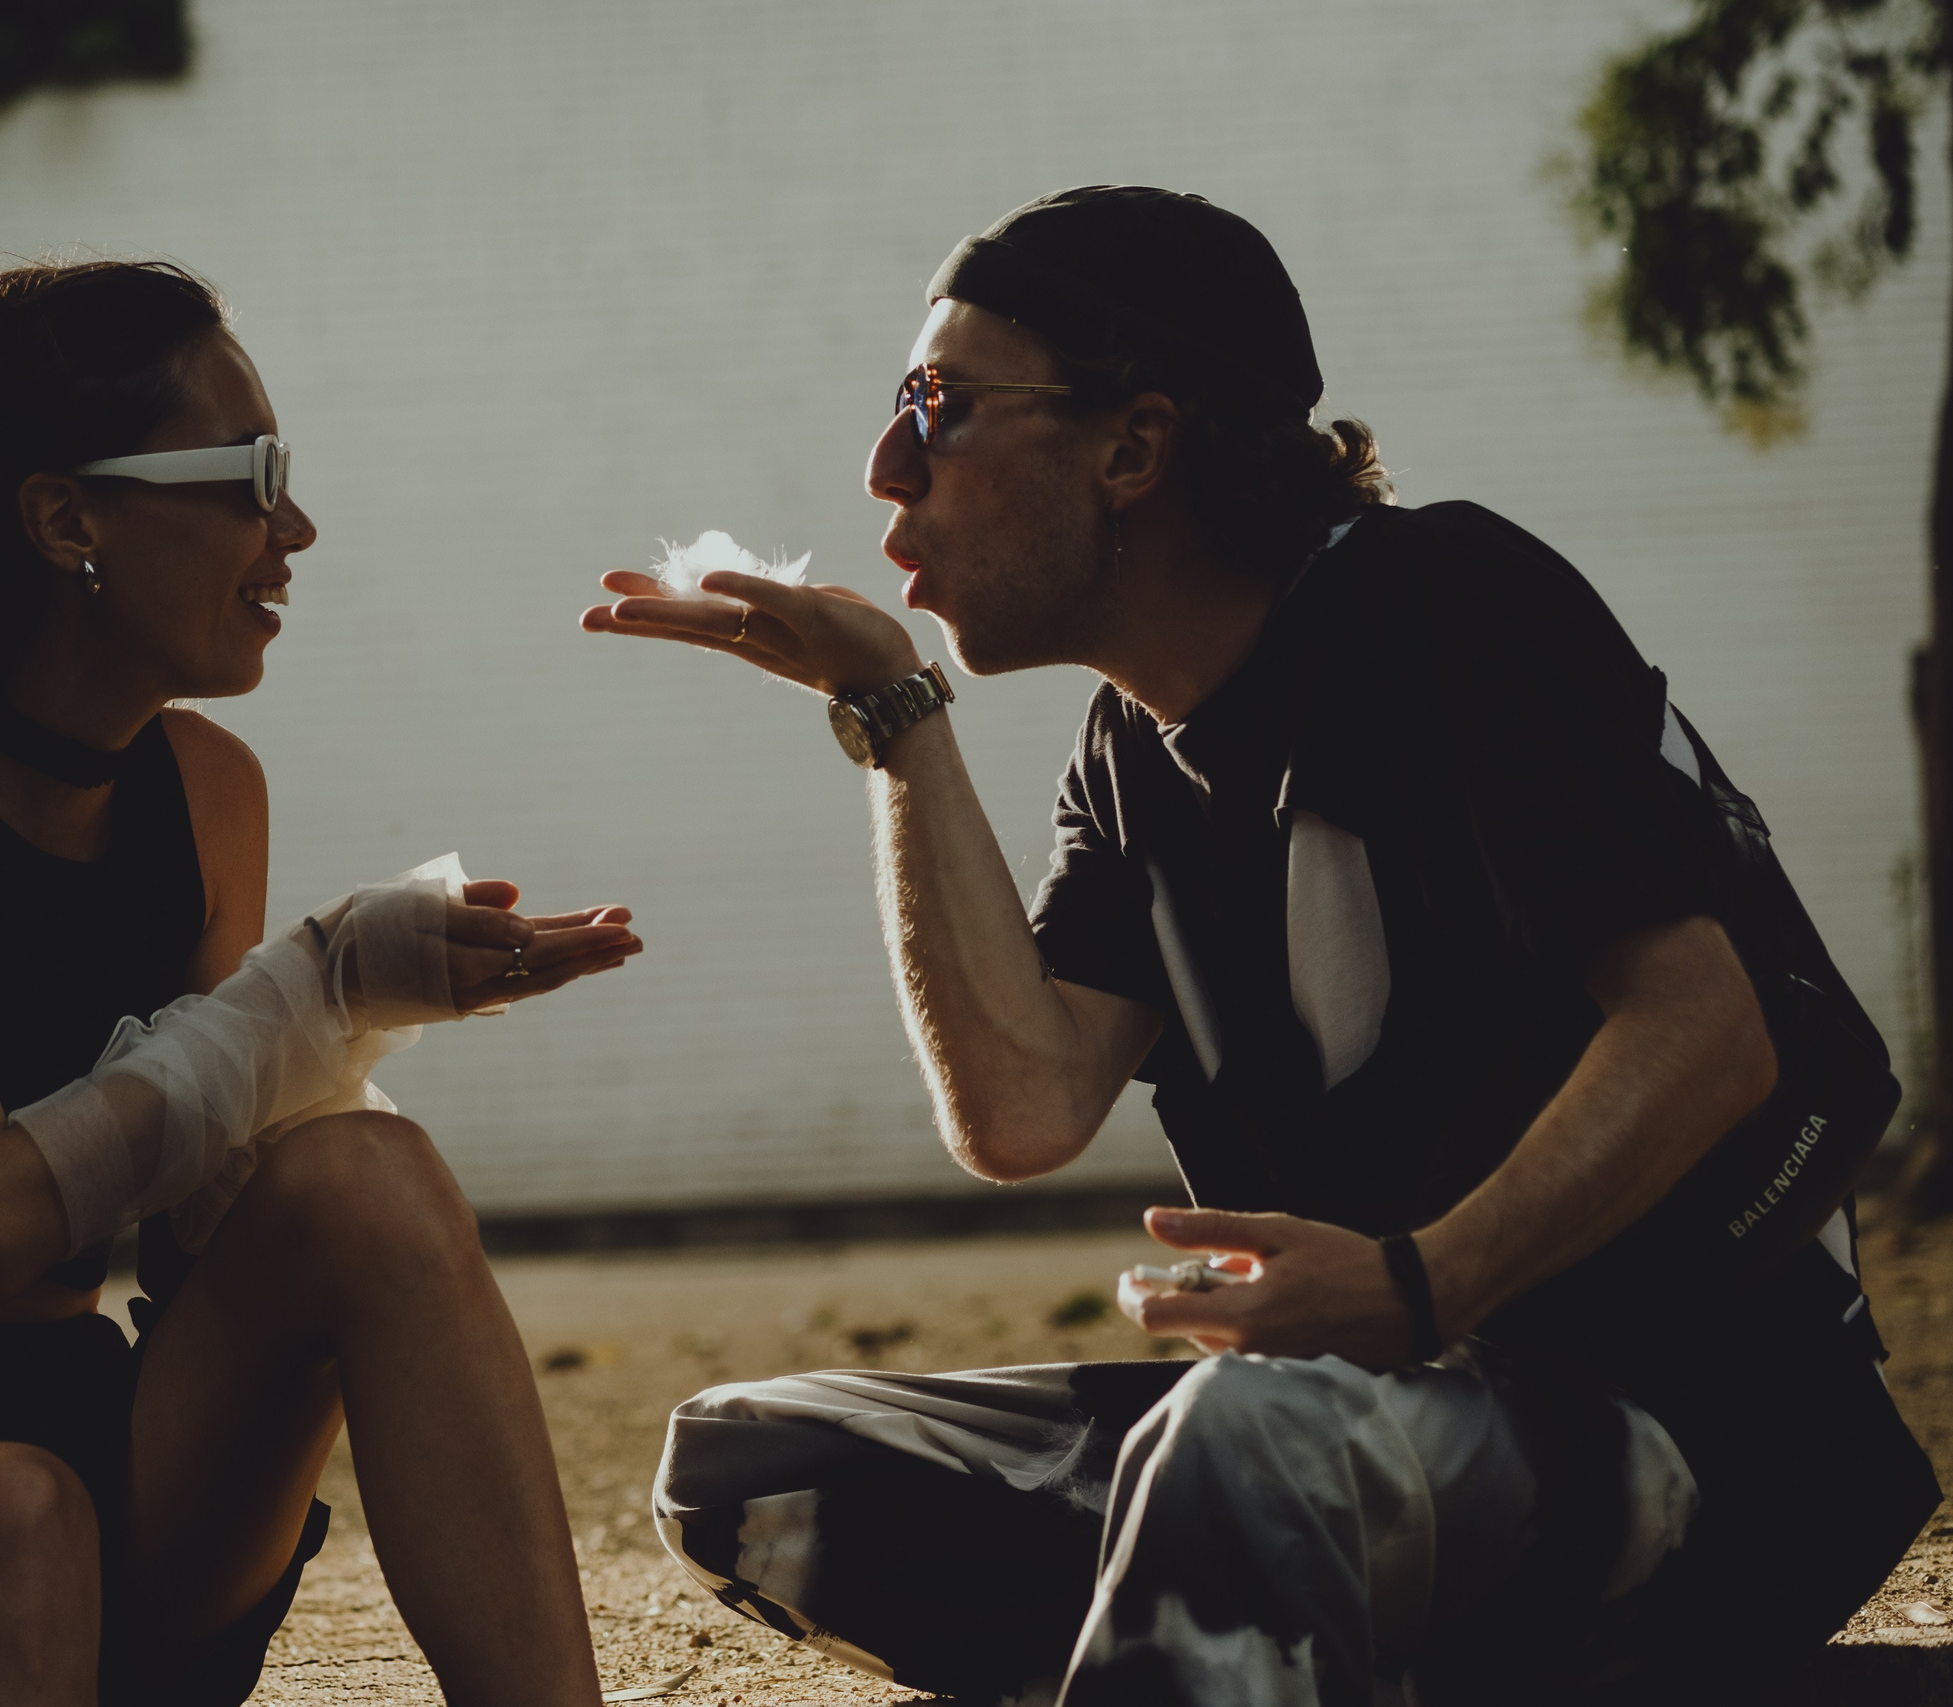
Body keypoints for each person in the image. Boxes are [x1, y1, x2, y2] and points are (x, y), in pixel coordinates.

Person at [582, 187, 1942, 1704]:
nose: (886, 465)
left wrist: (1423, 1287)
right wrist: (898, 721)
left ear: (1134, 448)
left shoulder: (1448, 603)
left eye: (940, 405)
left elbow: (1710, 1028)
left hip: (1708, 1451)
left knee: (1237, 1439)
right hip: (1369, 1437)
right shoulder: (1127, 752)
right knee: (751, 1470)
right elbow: (1021, 1110)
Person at [0, 259, 638, 1707]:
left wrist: (341, 1027)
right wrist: (314, 990)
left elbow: (199, 1217)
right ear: (66, 516)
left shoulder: (209, 794)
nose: (297, 529)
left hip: (102, 1457)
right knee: (7, 1515)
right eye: (250, 477)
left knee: (369, 1178)